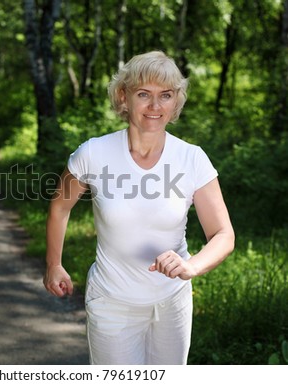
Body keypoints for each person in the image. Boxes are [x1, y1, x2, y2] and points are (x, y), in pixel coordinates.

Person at [43, 51, 235, 365]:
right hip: (111, 302)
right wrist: (54, 264)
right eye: (144, 94)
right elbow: (59, 208)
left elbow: (224, 234)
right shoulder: (93, 153)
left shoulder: (192, 159)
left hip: (172, 304)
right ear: (124, 97)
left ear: (176, 102)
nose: (155, 106)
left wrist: (192, 266)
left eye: (166, 96)